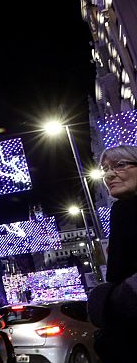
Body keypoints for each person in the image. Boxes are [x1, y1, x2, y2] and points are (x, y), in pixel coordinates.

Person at [88, 145, 137, 363]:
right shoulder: (123, 209)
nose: (109, 175)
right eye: (105, 169)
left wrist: (115, 298)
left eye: (120, 165)